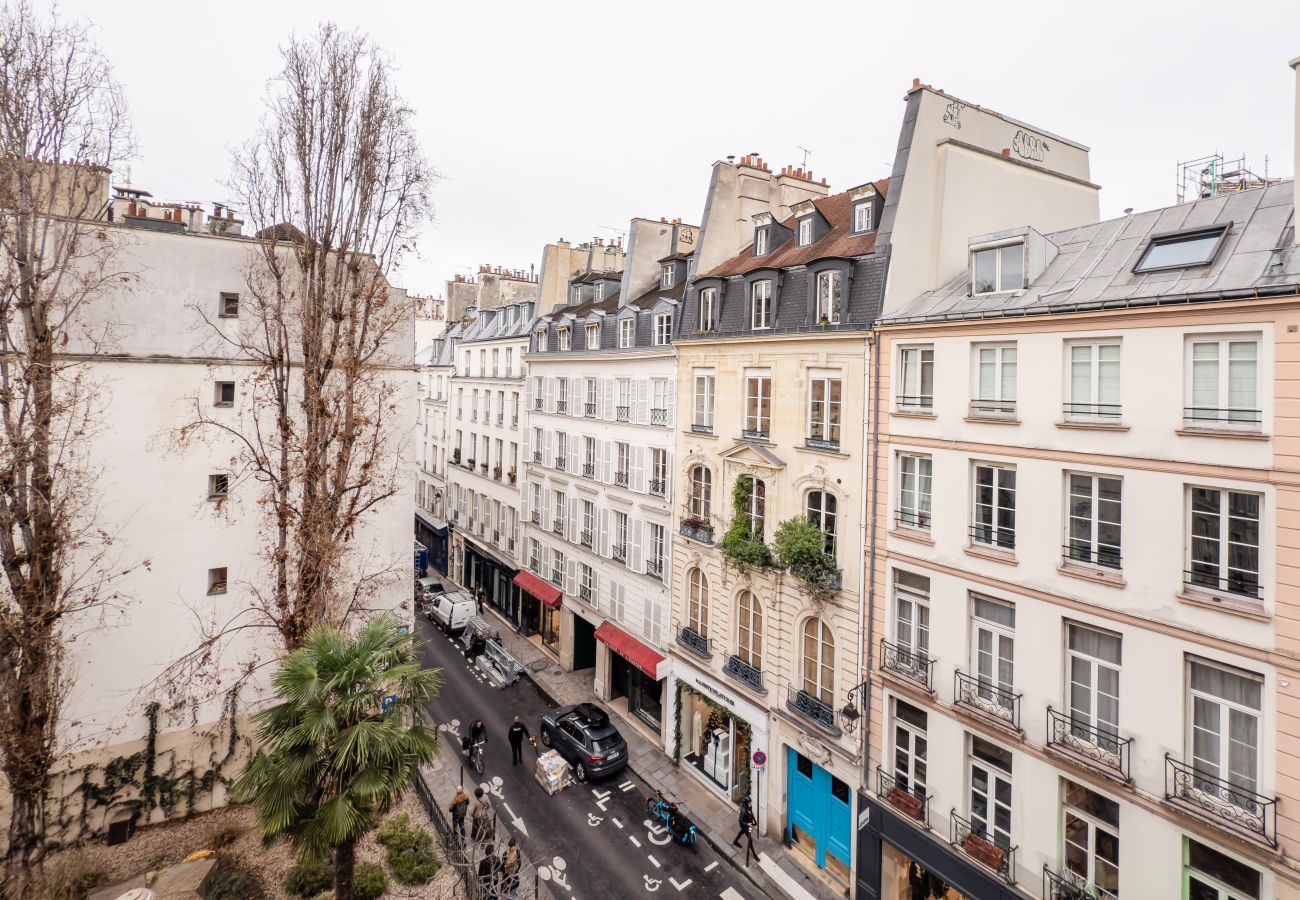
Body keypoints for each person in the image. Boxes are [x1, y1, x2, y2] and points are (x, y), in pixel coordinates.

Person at [733, 798, 759, 865]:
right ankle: (754, 855)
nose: (751, 804)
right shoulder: (743, 810)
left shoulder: (749, 806)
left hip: (749, 824)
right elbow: (740, 821)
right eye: (749, 803)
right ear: (746, 803)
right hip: (745, 826)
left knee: (741, 833)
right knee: (750, 840)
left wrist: (754, 820)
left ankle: (735, 841)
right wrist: (747, 824)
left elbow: (751, 812)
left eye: (750, 803)